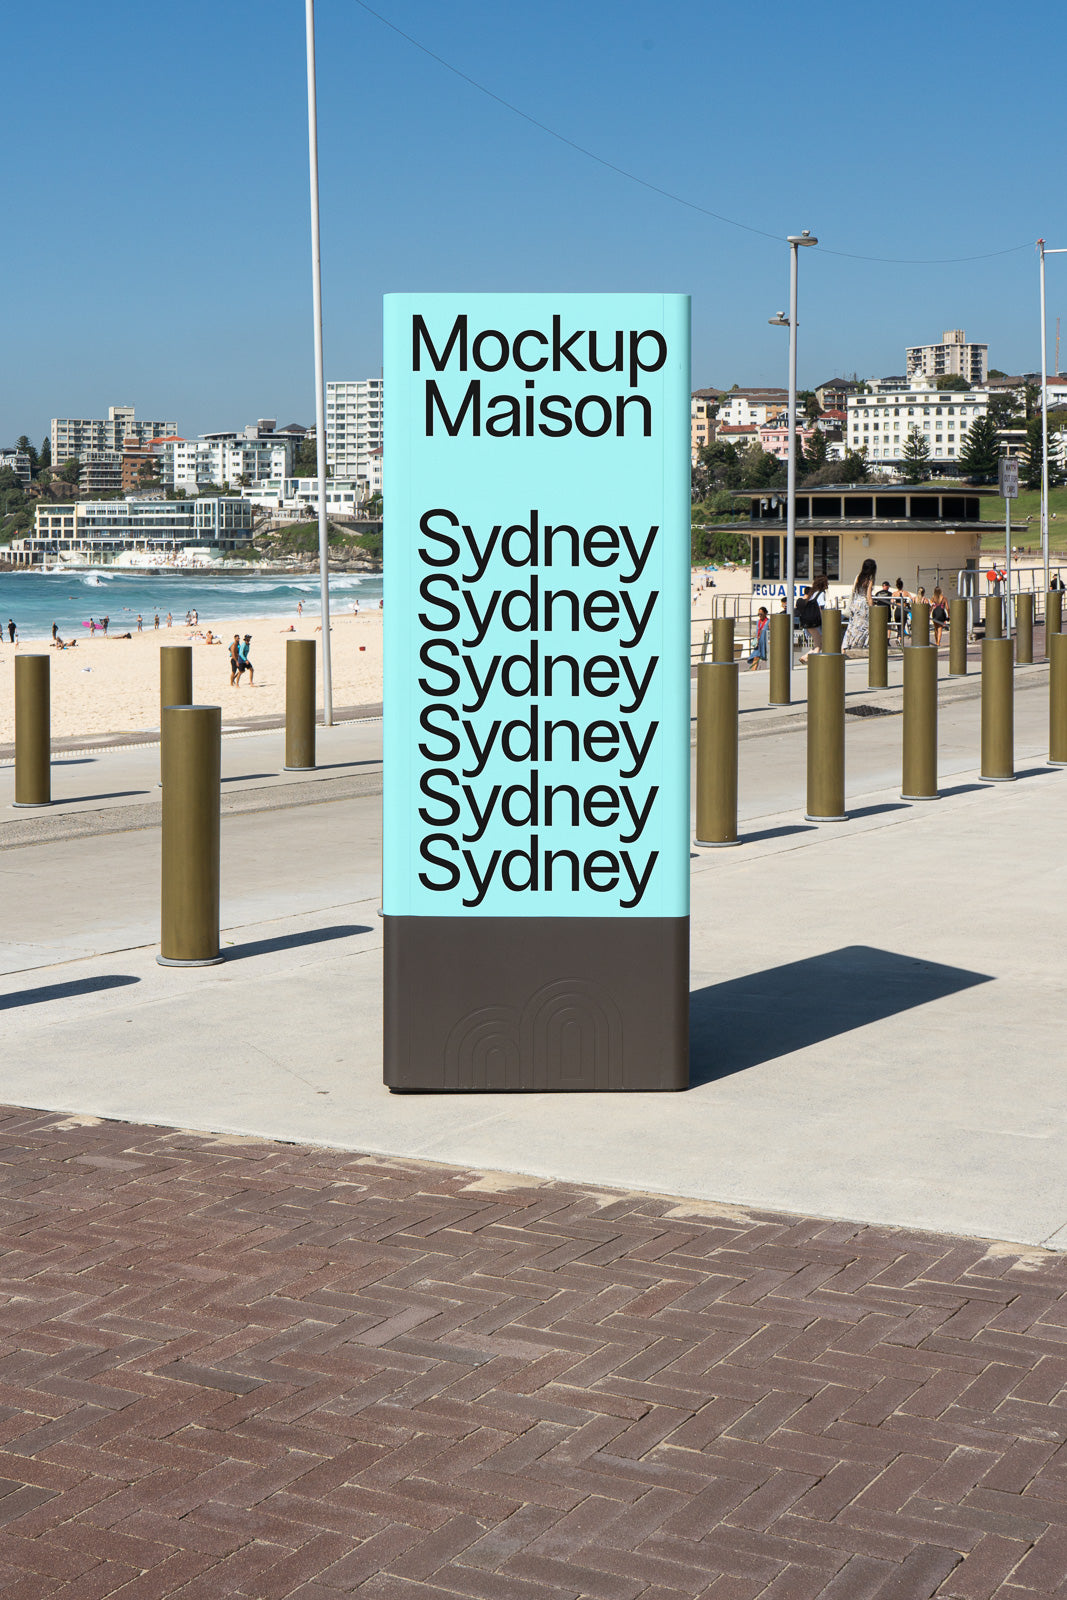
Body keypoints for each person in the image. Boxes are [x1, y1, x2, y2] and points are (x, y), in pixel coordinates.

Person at [842, 558, 877, 652]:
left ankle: (845, 646)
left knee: (852, 626)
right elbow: (868, 597)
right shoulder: (869, 580)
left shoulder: (858, 577)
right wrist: (873, 607)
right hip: (863, 606)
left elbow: (853, 591)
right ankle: (858, 646)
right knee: (864, 627)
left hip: (855, 604)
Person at [798, 575, 829, 664]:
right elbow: (820, 607)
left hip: (807, 621)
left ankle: (805, 657)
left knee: (818, 643)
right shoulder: (821, 593)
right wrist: (824, 620)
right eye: (826, 582)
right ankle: (815, 663)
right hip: (815, 622)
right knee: (818, 645)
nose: (828, 584)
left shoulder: (812, 593)